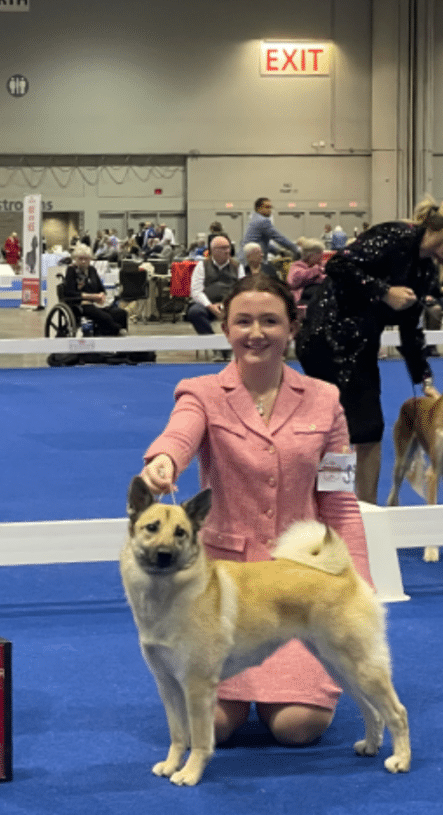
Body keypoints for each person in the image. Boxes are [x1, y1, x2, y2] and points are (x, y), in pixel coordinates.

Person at [140, 274, 373, 747]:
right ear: (225, 328)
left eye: (270, 320)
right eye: (243, 321)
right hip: (221, 591)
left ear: (292, 328)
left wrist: (359, 583)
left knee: (297, 727)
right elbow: (180, 434)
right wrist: (162, 459)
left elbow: (339, 500)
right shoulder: (200, 391)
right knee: (216, 728)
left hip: (296, 589)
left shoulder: (326, 400)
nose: (256, 332)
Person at [295, 196, 443, 505]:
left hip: (361, 345)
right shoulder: (394, 236)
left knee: (370, 427)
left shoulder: (424, 271)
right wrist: (384, 292)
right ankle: (329, 507)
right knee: (337, 427)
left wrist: (424, 379)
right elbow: (338, 264)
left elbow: (411, 329)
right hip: (325, 338)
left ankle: (366, 512)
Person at [186, 234, 239, 356]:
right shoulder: (201, 266)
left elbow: (242, 290)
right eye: (224, 248)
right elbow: (196, 291)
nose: (228, 251)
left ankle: (237, 346)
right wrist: (210, 306)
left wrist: (227, 305)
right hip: (208, 305)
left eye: (228, 247)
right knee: (194, 312)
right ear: (214, 250)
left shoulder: (237, 266)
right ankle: (217, 347)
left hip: (231, 305)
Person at [61, 244, 128, 335]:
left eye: (86, 258)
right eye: (80, 258)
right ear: (75, 259)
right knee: (106, 317)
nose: (84, 261)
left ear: (90, 259)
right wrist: (92, 296)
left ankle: (120, 340)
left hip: (96, 304)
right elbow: (69, 293)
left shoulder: (92, 270)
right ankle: (118, 331)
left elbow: (101, 289)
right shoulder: (71, 270)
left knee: (121, 313)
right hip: (80, 305)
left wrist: (102, 295)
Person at [239, 197, 298, 264]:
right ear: (258, 208)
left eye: (270, 207)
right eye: (267, 207)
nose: (270, 210)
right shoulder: (263, 221)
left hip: (245, 259)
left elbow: (260, 242)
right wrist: (296, 249)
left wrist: (278, 251)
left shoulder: (254, 218)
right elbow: (279, 238)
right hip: (252, 261)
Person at [286, 238, 327, 306]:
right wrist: (316, 271)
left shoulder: (318, 265)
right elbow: (293, 282)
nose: (322, 256)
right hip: (302, 302)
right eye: (320, 253)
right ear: (310, 255)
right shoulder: (297, 266)